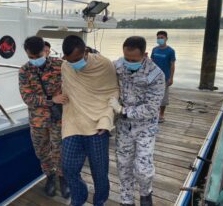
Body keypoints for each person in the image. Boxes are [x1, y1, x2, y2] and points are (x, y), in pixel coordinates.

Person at [60, 35, 119, 206]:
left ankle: (99, 201)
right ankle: (79, 197)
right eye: (70, 60)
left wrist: (107, 119)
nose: (74, 63)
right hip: (74, 123)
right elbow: (66, 90)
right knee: (69, 168)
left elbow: (113, 91)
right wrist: (53, 98)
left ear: (85, 51)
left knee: (99, 172)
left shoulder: (104, 64)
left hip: (98, 125)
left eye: (77, 59)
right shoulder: (66, 66)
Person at [109, 36, 165, 206]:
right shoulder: (118, 66)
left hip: (145, 127)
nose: (129, 62)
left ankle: (145, 193)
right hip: (124, 127)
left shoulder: (156, 75)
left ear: (145, 55)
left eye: (133, 60)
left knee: (143, 168)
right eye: (126, 58)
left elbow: (151, 108)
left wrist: (122, 110)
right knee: (123, 164)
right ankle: (126, 199)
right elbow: (101, 72)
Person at [18, 36, 70, 199]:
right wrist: (50, 100)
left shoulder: (60, 66)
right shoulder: (25, 71)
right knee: (42, 151)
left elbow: (74, 85)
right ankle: (50, 178)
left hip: (58, 118)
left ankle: (63, 179)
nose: (34, 60)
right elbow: (27, 98)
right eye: (30, 57)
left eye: (37, 56)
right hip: (38, 120)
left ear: (45, 51)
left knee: (60, 150)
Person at [151, 30, 176, 123]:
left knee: (163, 97)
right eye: (158, 38)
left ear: (166, 39)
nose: (160, 39)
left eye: (162, 38)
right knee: (153, 95)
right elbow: (151, 63)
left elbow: (172, 65)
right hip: (154, 77)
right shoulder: (154, 49)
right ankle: (154, 113)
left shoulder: (170, 51)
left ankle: (161, 115)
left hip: (165, 77)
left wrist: (171, 78)